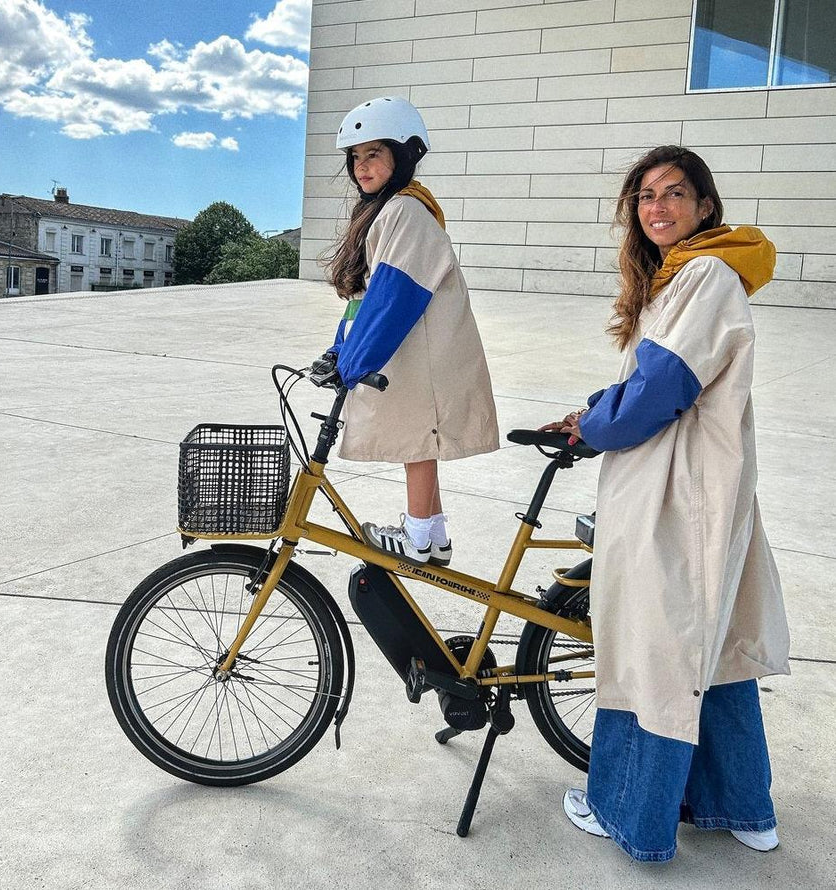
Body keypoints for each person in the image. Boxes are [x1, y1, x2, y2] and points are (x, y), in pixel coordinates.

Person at [541, 145, 791, 862]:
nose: (658, 207)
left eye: (674, 193)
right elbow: (651, 379)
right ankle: (743, 808)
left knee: (652, 653)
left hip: (674, 497)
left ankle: (629, 815)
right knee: (710, 652)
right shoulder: (686, 277)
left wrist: (596, 426)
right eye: (646, 196)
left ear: (705, 206)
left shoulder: (705, 273)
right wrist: (592, 410)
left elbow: (662, 390)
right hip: (704, 491)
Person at [321, 96, 498, 564]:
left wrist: (353, 363)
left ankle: (419, 537)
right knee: (418, 438)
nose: (362, 166)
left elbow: (392, 300)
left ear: (403, 155)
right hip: (417, 356)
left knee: (420, 437)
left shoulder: (405, 212)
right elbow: (365, 300)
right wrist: (340, 351)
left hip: (425, 356)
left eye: (374, 153)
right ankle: (432, 535)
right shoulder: (390, 211)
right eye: (355, 157)